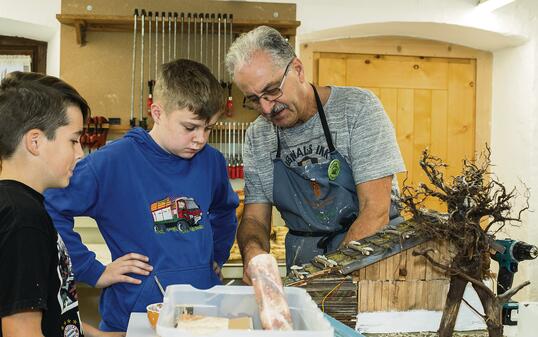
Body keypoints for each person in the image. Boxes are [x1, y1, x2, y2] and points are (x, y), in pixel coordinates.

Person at [44, 59, 239, 332]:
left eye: (209, 128)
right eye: (190, 127)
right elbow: (48, 208)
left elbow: (225, 210)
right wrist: (91, 270)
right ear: (157, 112)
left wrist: (216, 256)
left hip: (202, 313)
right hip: (134, 317)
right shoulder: (110, 163)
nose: (201, 139)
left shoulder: (212, 162)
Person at [225, 26, 406, 281]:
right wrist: (254, 255)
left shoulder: (356, 110)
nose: (266, 108)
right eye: (254, 100)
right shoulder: (259, 136)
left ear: (298, 70)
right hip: (305, 264)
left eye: (272, 91)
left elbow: (375, 211)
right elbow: (255, 217)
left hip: (373, 263)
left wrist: (331, 277)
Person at [0, 72, 123, 336]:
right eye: (73, 140)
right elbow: (22, 330)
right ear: (35, 142)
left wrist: (100, 335)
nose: (80, 153)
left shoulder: (23, 206)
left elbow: (53, 310)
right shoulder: (23, 218)